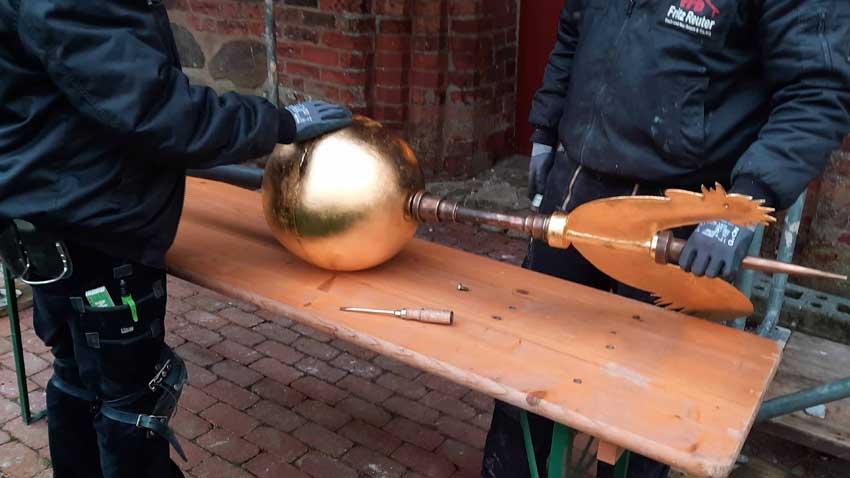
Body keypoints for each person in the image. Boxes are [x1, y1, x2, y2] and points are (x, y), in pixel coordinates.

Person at [484, 0, 850, 477]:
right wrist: (547, 125)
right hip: (575, 189)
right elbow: (574, 30)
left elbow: (817, 89)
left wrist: (743, 203)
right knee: (527, 364)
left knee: (646, 402)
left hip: (681, 213)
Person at [0, 1, 352, 477]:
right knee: (128, 403)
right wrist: (278, 124)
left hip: (46, 213)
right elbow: (157, 110)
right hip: (92, 228)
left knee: (81, 378)